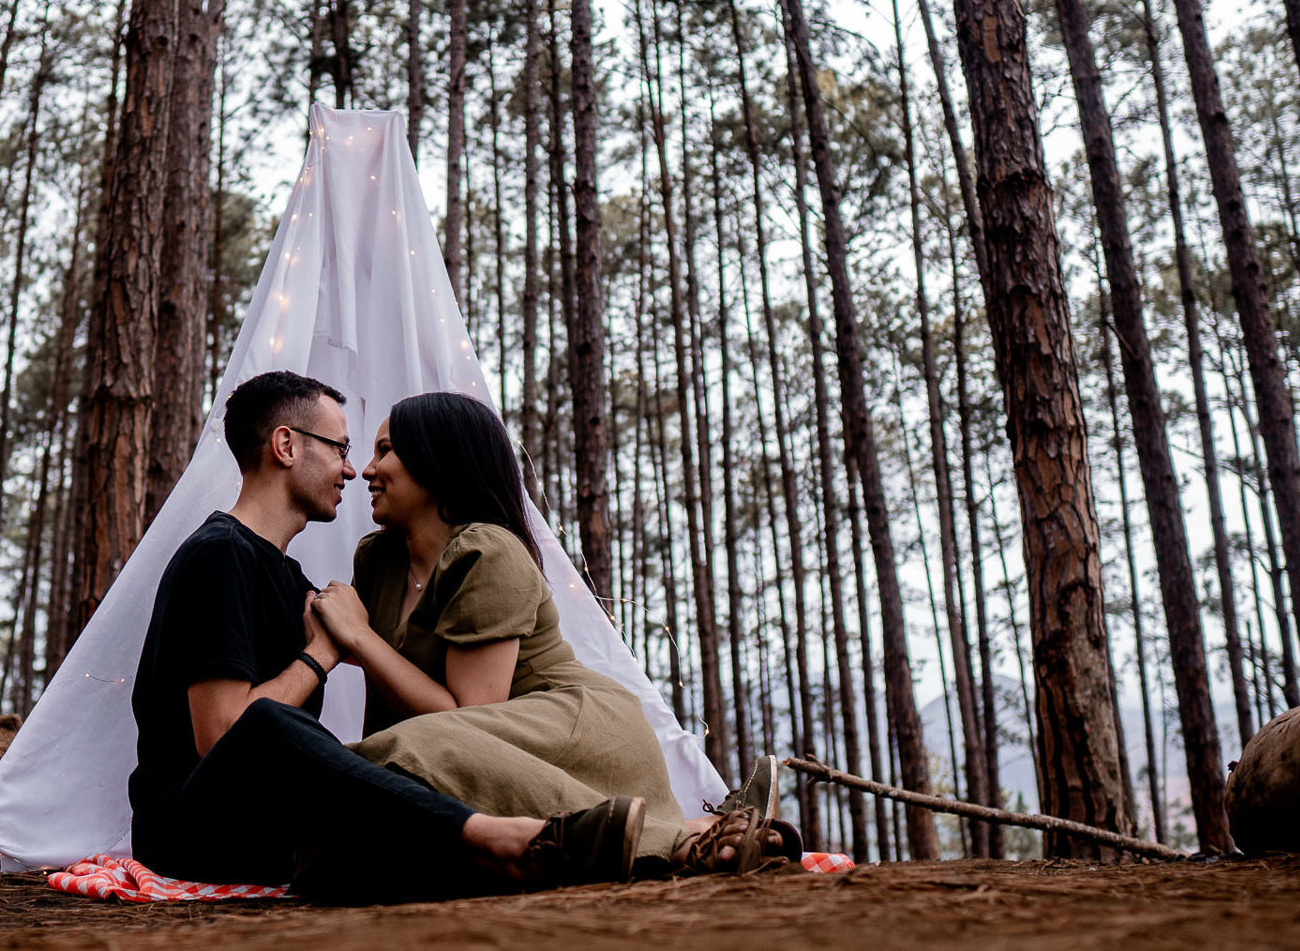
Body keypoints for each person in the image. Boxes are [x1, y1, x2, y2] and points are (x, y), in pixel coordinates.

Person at [127, 370, 647, 900]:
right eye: (340, 448)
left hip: (274, 824)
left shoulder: (290, 580)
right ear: (285, 445)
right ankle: (496, 837)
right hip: (196, 826)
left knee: (374, 797)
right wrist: (323, 654)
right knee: (266, 725)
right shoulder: (219, 556)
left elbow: (424, 687)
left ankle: (567, 849)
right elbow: (224, 737)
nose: (353, 470)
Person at [310, 391, 799, 876]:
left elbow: (470, 717)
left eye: (385, 450)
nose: (366, 470)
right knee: (368, 767)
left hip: (571, 725)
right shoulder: (378, 559)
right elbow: (390, 710)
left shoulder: (487, 552)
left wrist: (360, 638)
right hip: (469, 740)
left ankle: (680, 840)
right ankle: (709, 825)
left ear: (438, 460)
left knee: (421, 749)